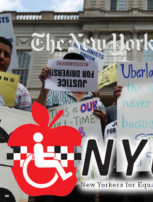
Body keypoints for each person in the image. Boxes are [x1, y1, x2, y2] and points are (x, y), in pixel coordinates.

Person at [35, 52, 105, 202]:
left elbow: (103, 135)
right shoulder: (53, 93)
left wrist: (103, 120)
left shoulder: (95, 101)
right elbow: (37, 118)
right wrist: (44, 86)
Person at [0, 36, 32, 111]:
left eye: (6, 55)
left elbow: (29, 119)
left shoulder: (21, 91)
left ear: (10, 61)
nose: (1, 57)